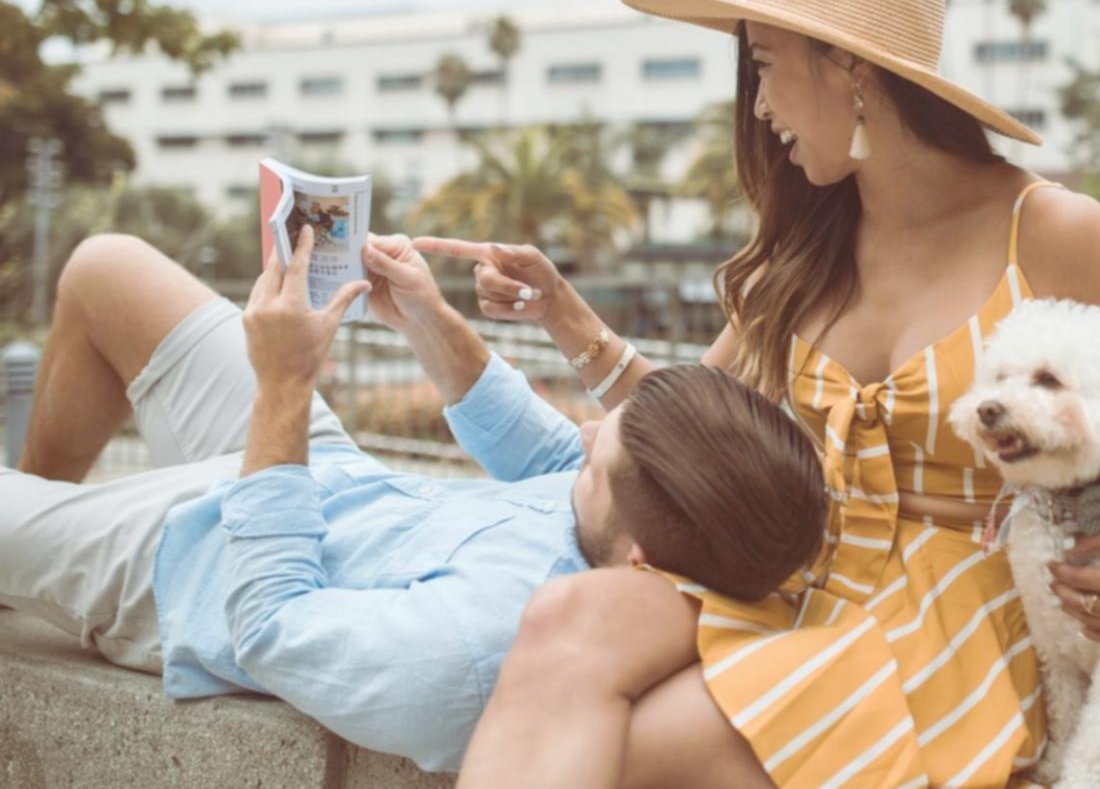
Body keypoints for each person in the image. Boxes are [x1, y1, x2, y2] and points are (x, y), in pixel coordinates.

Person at [430, 0, 1100, 788]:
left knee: (631, 750)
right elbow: (690, 429)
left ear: (848, 68)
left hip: (964, 625)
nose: (756, 105)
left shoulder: (1050, 233)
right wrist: (563, 316)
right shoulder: (809, 245)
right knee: (568, 616)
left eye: (767, 64)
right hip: (795, 574)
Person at [0, 228, 826, 772]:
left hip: (190, 560)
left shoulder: (466, 655)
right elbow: (547, 450)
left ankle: (39, 544)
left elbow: (269, 625)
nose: (579, 437)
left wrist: (285, 383)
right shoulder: (648, 530)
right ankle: (24, 562)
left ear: (640, 559)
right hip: (326, 472)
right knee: (106, 268)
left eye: (596, 456)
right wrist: (425, 316)